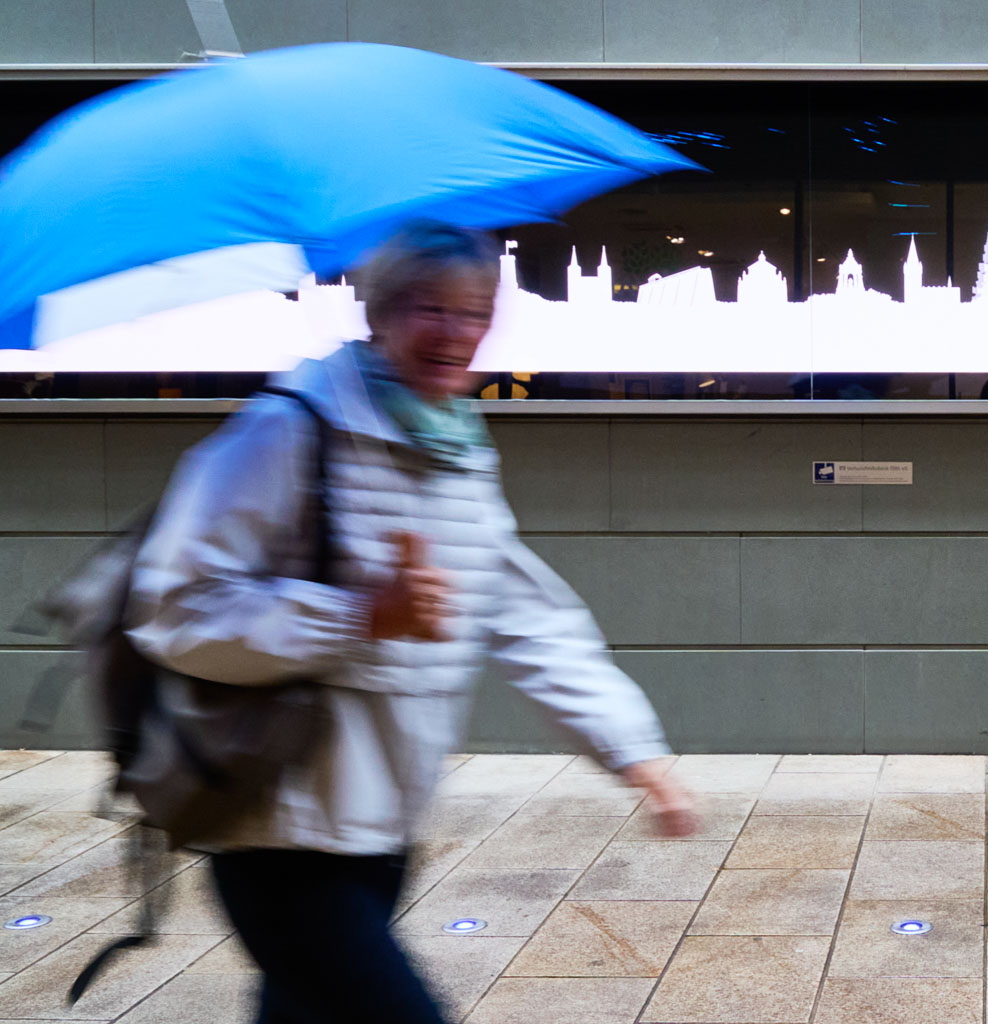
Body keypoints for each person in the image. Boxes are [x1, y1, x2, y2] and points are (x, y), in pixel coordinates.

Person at [127, 222, 695, 1024]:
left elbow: (527, 616)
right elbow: (172, 609)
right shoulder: (289, 428)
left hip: (382, 831)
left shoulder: (456, 447)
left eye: (474, 313)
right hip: (277, 833)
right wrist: (362, 615)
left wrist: (635, 753)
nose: (455, 334)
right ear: (380, 314)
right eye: (430, 308)